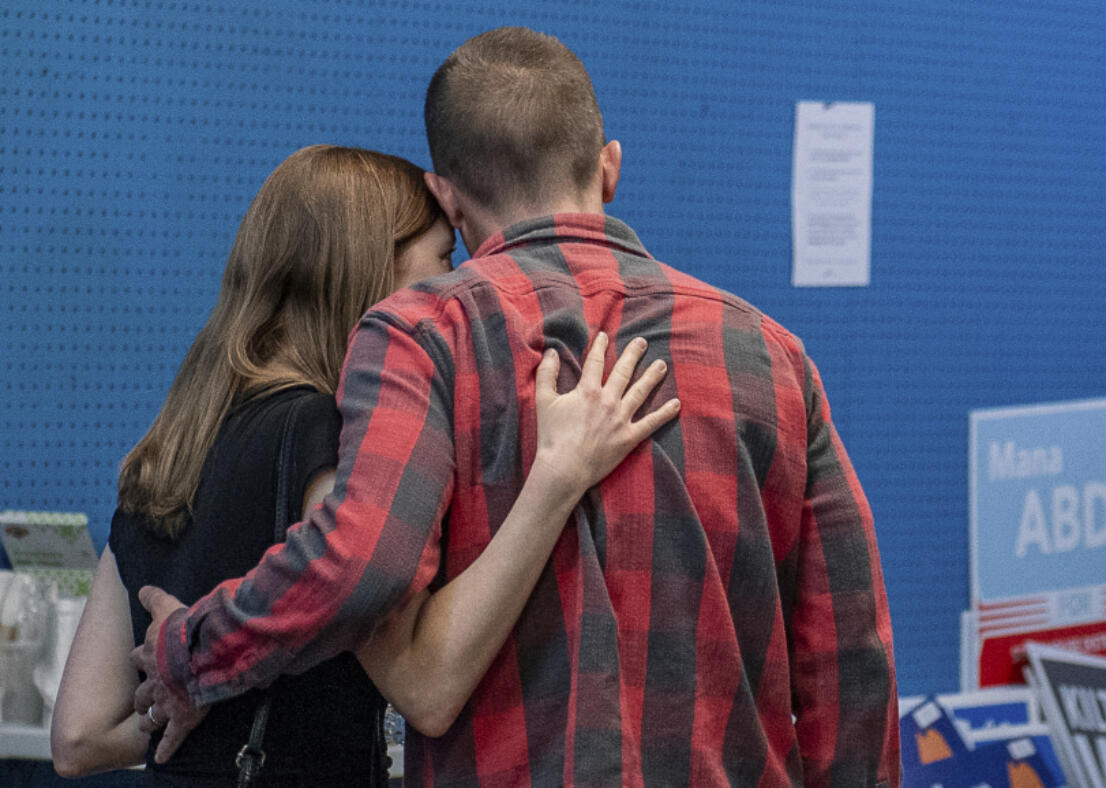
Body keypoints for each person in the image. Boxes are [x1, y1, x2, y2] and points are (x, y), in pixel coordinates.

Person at [134, 27, 900, 787]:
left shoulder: (424, 335)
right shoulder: (770, 356)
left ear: (446, 195)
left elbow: (361, 565)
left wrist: (189, 653)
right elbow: (849, 653)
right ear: (609, 169)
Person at [50, 144, 679, 784]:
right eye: (441, 260)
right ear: (366, 268)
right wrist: (557, 476)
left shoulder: (167, 451)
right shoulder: (327, 432)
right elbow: (428, 687)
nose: (450, 288)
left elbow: (79, 737)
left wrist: (198, 686)